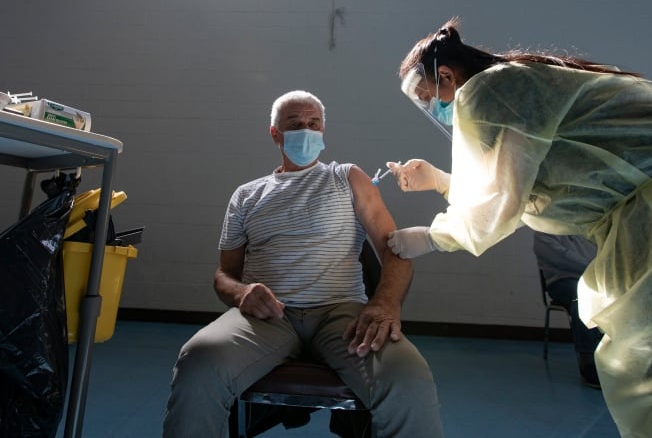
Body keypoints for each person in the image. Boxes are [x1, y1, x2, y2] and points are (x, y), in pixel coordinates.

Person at [385, 17, 652, 437]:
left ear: (446, 74)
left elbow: (501, 200)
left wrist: (431, 237)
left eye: (431, 99)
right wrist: (441, 182)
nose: (437, 112)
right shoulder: (518, 85)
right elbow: (524, 184)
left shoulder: (490, 89)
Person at [163, 90, 443, 438]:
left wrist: (385, 303)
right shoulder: (247, 195)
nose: (306, 131)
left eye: (314, 124)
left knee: (407, 378)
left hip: (343, 315)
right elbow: (224, 275)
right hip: (269, 318)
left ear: (324, 132)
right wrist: (242, 293)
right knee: (199, 361)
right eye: (295, 125)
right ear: (275, 134)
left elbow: (395, 249)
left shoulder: (348, 178)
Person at [533, 231, 602, 388]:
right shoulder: (543, 233)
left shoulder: (582, 227)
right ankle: (587, 357)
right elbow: (563, 259)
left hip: (592, 278)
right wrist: (594, 267)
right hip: (563, 282)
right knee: (582, 294)